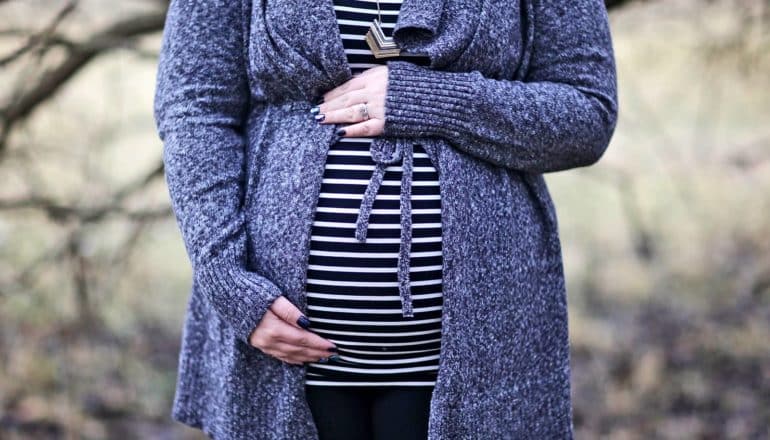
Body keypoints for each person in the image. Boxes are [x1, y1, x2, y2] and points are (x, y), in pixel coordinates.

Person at [152, 0, 618, 438]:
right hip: (275, 352)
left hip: (479, 357)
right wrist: (224, 276)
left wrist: (434, 99)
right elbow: (194, 103)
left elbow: (587, 112)